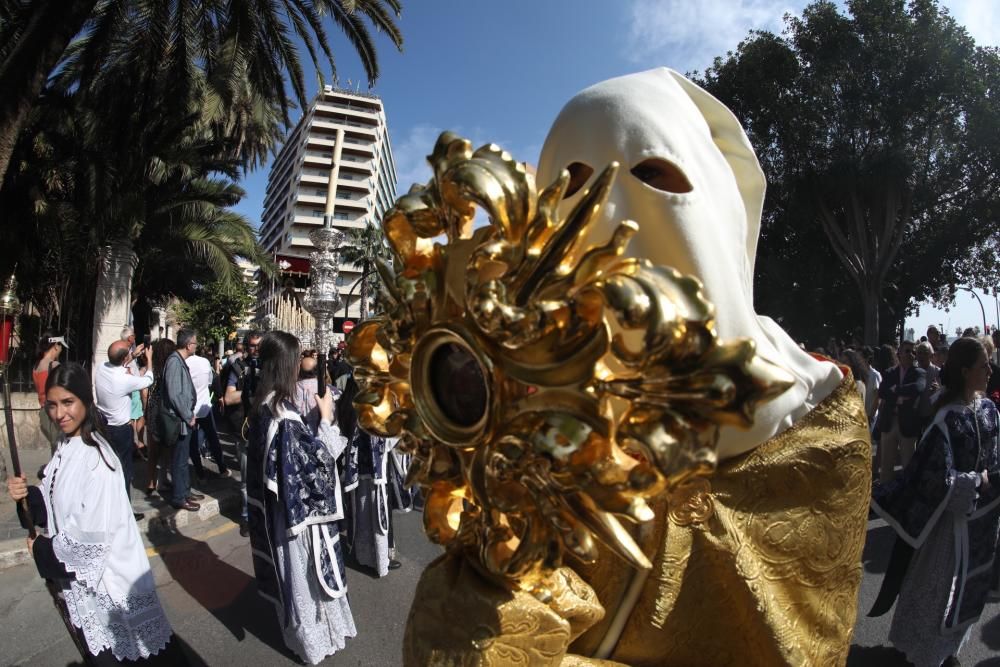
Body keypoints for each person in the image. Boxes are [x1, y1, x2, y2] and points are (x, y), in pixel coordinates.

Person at [403, 68, 871, 666]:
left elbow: (800, 648)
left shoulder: (820, 418)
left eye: (652, 173)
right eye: (569, 185)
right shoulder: (529, 408)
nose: (607, 215)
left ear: (717, 195)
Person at [6, 363, 181, 664]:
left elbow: (87, 549)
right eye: (52, 405)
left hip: (110, 593)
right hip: (85, 588)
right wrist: (28, 497)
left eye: (68, 402)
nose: (59, 414)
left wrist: (41, 550)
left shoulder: (98, 460)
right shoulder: (66, 444)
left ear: (86, 401)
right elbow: (54, 501)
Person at [871, 336, 1000, 667]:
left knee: (968, 592)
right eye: (983, 364)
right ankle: (926, 652)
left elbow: (995, 458)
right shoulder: (946, 420)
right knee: (939, 590)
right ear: (965, 371)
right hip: (950, 526)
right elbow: (931, 478)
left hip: (982, 523)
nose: (990, 369)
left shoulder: (989, 411)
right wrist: (973, 482)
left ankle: (950, 648)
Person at [246, 331, 356, 664]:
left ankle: (314, 633)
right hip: (298, 517)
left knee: (299, 577)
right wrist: (325, 418)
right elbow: (317, 464)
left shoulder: (265, 403)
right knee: (306, 578)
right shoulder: (283, 415)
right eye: (295, 361)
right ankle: (312, 641)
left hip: (280, 509)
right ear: (285, 365)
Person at [337, 373, 401, 576]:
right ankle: (381, 560)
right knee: (378, 510)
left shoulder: (350, 391)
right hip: (377, 467)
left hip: (356, 466)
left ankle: (362, 556)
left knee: (361, 509)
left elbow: (342, 425)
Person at [94, 339, 153, 520]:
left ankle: (109, 508)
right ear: (124, 357)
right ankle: (125, 512)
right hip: (120, 430)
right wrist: (148, 359)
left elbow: (118, 364)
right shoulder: (123, 380)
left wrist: (131, 357)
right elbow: (148, 380)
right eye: (129, 350)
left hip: (104, 427)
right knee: (125, 471)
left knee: (109, 469)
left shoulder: (102, 368)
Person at [222, 331, 261, 536]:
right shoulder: (237, 368)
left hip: (265, 429)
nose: (256, 350)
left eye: (259, 346)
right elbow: (228, 397)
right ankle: (246, 517)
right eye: (252, 346)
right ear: (246, 346)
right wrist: (250, 394)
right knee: (246, 479)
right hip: (244, 430)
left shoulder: (269, 367)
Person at [876, 340, 927, 483]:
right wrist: (901, 397)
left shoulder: (920, 373)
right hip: (889, 422)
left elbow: (917, 388)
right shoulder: (889, 372)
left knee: (908, 465)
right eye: (907, 351)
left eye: (913, 352)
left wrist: (896, 390)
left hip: (908, 425)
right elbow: (882, 392)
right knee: (886, 465)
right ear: (899, 354)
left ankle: (906, 498)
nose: (911, 354)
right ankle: (885, 496)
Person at [163, 329, 202, 512]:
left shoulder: (179, 361)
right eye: (195, 343)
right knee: (179, 461)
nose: (196, 346)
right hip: (180, 421)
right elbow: (174, 394)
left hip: (185, 419)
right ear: (188, 345)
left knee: (183, 460)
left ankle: (185, 492)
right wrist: (188, 416)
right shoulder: (174, 362)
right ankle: (179, 497)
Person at [185, 346, 229, 478]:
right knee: (212, 438)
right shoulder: (204, 363)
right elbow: (213, 380)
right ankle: (222, 468)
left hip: (189, 408)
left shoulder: (183, 362)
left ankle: (200, 473)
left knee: (193, 442)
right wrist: (220, 397)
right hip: (204, 407)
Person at [144, 338, 176, 497]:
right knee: (166, 450)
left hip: (152, 411)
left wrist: (146, 411)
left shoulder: (151, 369)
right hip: (166, 413)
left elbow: (145, 393)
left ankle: (150, 482)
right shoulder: (169, 370)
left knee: (152, 451)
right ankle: (162, 481)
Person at [32, 332, 66, 451]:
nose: (60, 350)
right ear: (56, 346)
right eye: (61, 347)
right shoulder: (54, 365)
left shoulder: (36, 366)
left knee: (55, 447)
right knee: (61, 448)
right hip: (56, 412)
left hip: (44, 411)